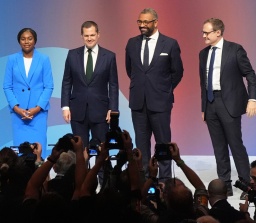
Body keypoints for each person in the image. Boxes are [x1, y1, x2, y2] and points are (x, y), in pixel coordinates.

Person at [199, 18, 256, 198]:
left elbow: (250, 75)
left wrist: (252, 99)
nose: (203, 35)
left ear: (218, 32)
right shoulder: (203, 53)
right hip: (210, 103)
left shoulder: (235, 50)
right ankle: (225, 186)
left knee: (236, 145)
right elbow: (203, 83)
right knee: (219, 147)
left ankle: (248, 186)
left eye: (207, 32)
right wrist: (203, 107)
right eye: (203, 32)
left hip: (229, 103)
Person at [125, 8, 183, 182]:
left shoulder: (170, 44)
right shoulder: (131, 43)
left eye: (146, 22)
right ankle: (145, 180)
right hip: (138, 103)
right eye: (139, 22)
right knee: (141, 144)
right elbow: (131, 70)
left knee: (163, 144)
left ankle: (165, 182)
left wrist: (164, 90)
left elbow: (177, 72)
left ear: (155, 22)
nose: (142, 25)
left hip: (160, 103)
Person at [61, 20, 119, 149]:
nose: (89, 38)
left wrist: (113, 108)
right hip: (77, 111)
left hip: (101, 111)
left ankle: (101, 170)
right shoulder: (72, 55)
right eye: (86, 35)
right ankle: (83, 170)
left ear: (98, 35)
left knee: (102, 150)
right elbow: (66, 81)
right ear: (82, 36)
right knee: (80, 151)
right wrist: (65, 106)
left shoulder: (109, 56)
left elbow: (113, 85)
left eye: (92, 35)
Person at [3, 28, 54, 159]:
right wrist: (17, 109)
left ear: (35, 40)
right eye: (23, 39)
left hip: (38, 114)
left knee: (38, 152)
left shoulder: (43, 59)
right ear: (19, 41)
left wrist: (36, 109)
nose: (26, 41)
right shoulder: (12, 59)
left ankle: (41, 179)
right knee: (20, 153)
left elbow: (49, 86)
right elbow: (7, 86)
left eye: (30, 38)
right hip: (18, 115)